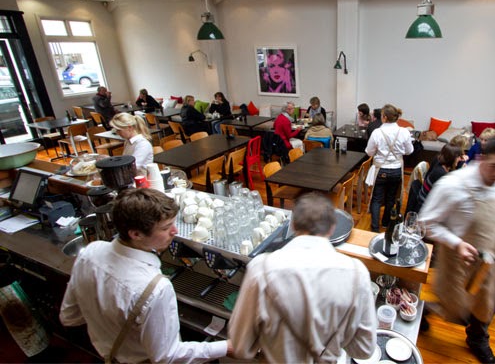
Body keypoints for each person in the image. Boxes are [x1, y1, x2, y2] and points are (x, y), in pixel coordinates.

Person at [60, 188, 232, 363]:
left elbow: (69, 317)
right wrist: (226, 347)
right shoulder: (155, 289)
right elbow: (167, 357)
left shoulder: (90, 253)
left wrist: (106, 319)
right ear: (136, 234)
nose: (175, 231)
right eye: (165, 228)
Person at [418, 136, 495, 364]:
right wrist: (456, 243)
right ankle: (423, 312)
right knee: (454, 306)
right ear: (481, 158)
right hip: (457, 257)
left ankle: (478, 339)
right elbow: (425, 223)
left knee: (484, 304)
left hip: (488, 257)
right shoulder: (453, 185)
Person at [229, 193, 377, 363]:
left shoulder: (260, 269)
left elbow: (240, 346)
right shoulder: (357, 274)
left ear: (293, 225)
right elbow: (364, 349)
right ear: (332, 228)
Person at [365, 104, 414, 232]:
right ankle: (386, 222)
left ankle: (375, 228)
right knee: (391, 197)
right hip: (397, 170)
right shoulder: (404, 132)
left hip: (381, 170)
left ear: (385, 117)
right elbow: (409, 151)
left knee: (376, 199)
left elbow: (369, 152)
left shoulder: (377, 132)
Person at [407, 143, 463, 214]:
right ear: (452, 158)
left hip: (424, 203)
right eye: (458, 157)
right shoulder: (441, 174)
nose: (460, 159)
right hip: (425, 209)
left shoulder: (439, 162)